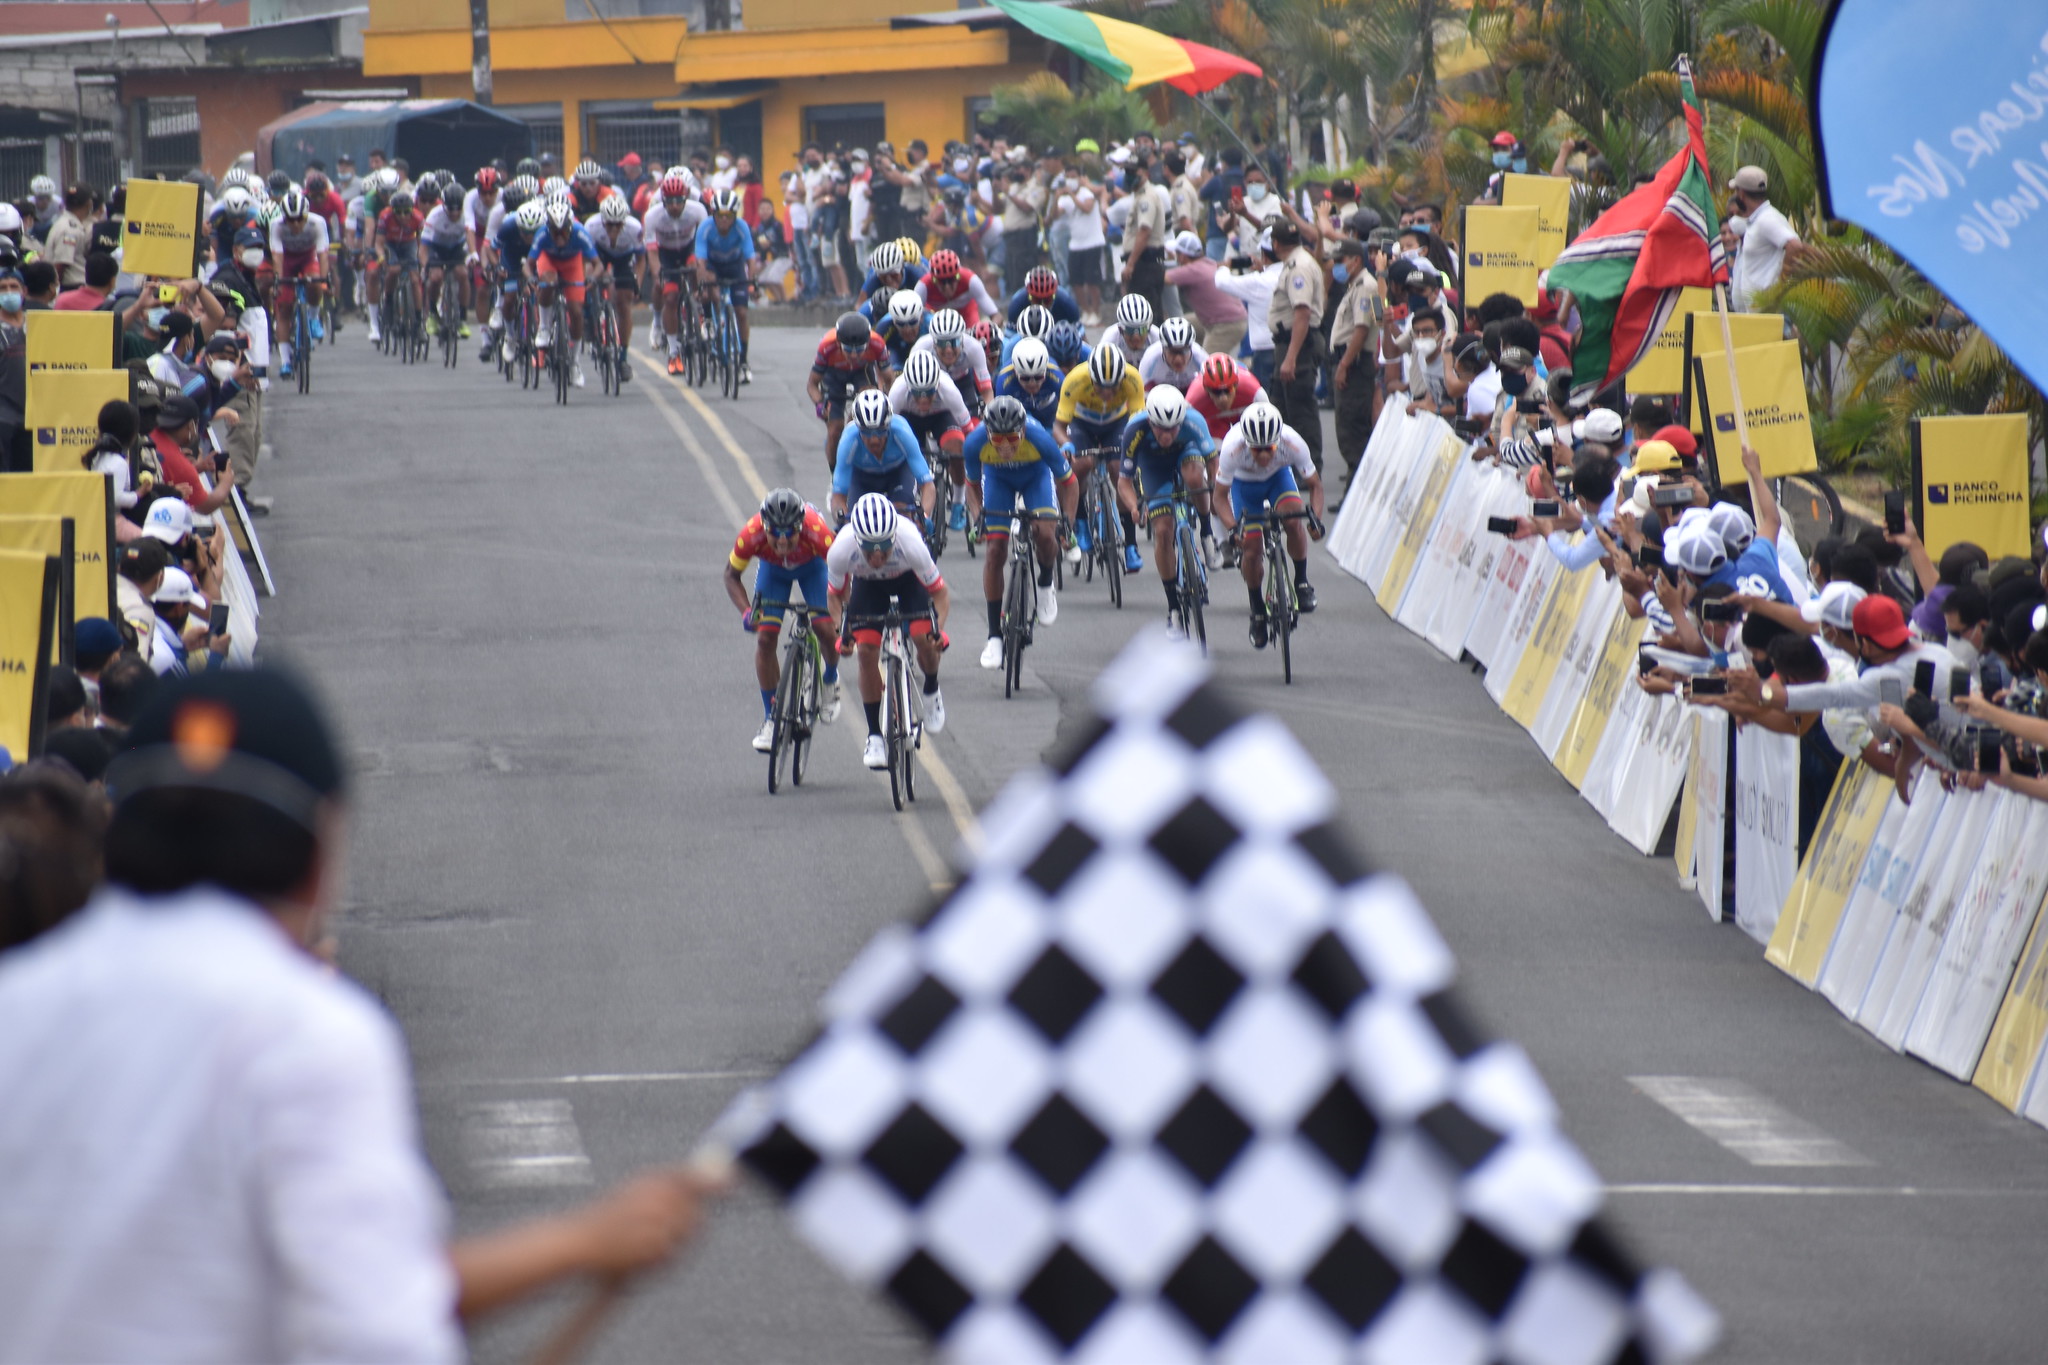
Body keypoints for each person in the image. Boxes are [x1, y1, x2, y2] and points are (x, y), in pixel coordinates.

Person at [0, 669, 724, 1359]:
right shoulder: (304, 1035)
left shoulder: (19, 999)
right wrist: (588, 1244)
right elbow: (383, 1335)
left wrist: (587, 1243)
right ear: (320, 856)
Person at [827, 493, 950, 770]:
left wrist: (938, 630)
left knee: (923, 638)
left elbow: (940, 595)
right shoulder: (840, 549)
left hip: (909, 582)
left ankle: (931, 689)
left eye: (884, 547)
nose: (879, 555)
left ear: (893, 537)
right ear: (857, 541)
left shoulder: (911, 543)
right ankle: (874, 736)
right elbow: (835, 597)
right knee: (866, 651)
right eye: (870, 549)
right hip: (868, 587)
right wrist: (841, 632)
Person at [724, 488, 843, 751]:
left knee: (825, 628)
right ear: (764, 527)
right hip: (774, 573)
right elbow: (731, 575)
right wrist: (746, 612)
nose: (781, 542)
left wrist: (837, 614)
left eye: (790, 535)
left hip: (814, 569)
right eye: (774, 534)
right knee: (766, 639)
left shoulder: (818, 534)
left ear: (800, 526)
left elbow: (842, 575)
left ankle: (830, 679)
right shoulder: (751, 535)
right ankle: (771, 719)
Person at [962, 396, 1072, 669]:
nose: (1006, 447)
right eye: (997, 441)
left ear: (1023, 431)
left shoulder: (1040, 439)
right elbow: (972, 486)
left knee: (1046, 534)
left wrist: (1067, 521)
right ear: (988, 435)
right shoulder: (974, 444)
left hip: (1035, 477)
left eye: (1012, 439)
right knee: (995, 551)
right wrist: (978, 519)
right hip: (998, 480)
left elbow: (1069, 483)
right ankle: (994, 637)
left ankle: (1046, 584)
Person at [1212, 401, 1326, 646]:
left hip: (1278, 479)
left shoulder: (1292, 442)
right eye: (1256, 450)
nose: (1264, 456)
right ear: (1246, 444)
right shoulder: (1232, 448)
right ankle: (1257, 609)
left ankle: (1302, 582)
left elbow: (1316, 486)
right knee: (1251, 550)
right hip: (1245, 487)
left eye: (1270, 448)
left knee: (1294, 519)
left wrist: (1315, 518)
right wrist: (1233, 528)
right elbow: (1219, 497)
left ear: (1279, 440)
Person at [1121, 384, 1216, 634]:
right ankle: (1173, 607)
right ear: (1150, 422)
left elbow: (1212, 460)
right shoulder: (1134, 429)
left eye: (1173, 428)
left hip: (1187, 454)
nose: (1166, 435)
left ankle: (1206, 532)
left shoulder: (1194, 420)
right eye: (1160, 429)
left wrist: (1215, 489)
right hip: (1153, 467)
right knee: (1163, 532)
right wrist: (1133, 506)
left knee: (1195, 478)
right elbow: (1124, 482)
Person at [1053, 343, 1144, 569]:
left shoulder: (1133, 379)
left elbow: (1139, 423)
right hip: (1082, 423)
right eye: (1101, 386)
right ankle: (1081, 523)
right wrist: (1067, 445)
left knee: (1119, 469)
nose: (1107, 392)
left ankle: (1131, 545)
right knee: (1082, 464)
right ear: (1091, 378)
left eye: (1113, 386)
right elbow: (1058, 426)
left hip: (1117, 423)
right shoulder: (1074, 380)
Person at [831, 388, 936, 526]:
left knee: (903, 517)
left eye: (881, 431)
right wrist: (844, 523)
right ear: (858, 428)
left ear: (888, 425)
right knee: (857, 521)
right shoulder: (849, 441)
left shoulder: (902, 432)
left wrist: (925, 517)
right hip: (863, 478)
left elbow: (928, 485)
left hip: (897, 474)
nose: (874, 439)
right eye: (867, 432)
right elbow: (838, 496)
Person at [529, 198, 599, 389]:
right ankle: (544, 327)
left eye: (563, 231)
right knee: (548, 282)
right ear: (548, 227)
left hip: (572, 264)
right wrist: (531, 278)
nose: (559, 237)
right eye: (555, 232)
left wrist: (592, 278)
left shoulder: (580, 233)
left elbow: (597, 264)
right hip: (549, 261)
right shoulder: (542, 234)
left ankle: (574, 362)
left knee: (576, 312)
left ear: (570, 226)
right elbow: (529, 264)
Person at [809, 312, 891, 472]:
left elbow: (889, 380)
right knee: (834, 430)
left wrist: (885, 401)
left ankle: (853, 432)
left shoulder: (877, 343)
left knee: (867, 404)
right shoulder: (827, 346)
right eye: (848, 350)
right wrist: (820, 405)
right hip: (833, 374)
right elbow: (812, 384)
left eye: (860, 350)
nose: (854, 355)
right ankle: (835, 474)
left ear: (868, 343)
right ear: (839, 343)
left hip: (862, 372)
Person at [694, 189, 760, 383]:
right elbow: (700, 262)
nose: (724, 220)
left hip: (734, 267)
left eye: (729, 216)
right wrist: (702, 282)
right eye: (720, 216)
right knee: (710, 291)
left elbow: (751, 259)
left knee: (741, 313)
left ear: (734, 215)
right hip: (713, 266)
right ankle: (708, 319)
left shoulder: (742, 227)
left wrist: (753, 283)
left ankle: (743, 361)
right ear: (713, 214)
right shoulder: (705, 227)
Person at [643, 172, 706, 375]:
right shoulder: (653, 216)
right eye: (670, 202)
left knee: (696, 270)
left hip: (689, 248)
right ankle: (673, 351)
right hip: (665, 253)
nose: (675, 206)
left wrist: (701, 268)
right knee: (670, 296)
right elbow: (652, 252)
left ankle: (699, 310)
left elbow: (703, 243)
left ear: (685, 199)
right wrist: (658, 275)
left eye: (679, 202)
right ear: (663, 201)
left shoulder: (697, 210)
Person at [1727, 165, 1806, 311]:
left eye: (1736, 191)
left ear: (1741, 193)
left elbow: (1795, 246)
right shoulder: (1757, 220)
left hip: (1765, 313)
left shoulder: (1767, 219)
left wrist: (1780, 286)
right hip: (1753, 315)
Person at [587, 195, 643, 383]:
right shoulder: (592, 226)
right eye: (609, 224)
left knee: (623, 301)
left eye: (618, 224)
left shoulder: (634, 229)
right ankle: (593, 323)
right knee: (589, 282)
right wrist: (588, 280)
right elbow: (586, 259)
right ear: (603, 221)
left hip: (624, 259)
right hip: (599, 255)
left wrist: (637, 283)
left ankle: (623, 358)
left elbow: (641, 260)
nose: (613, 229)